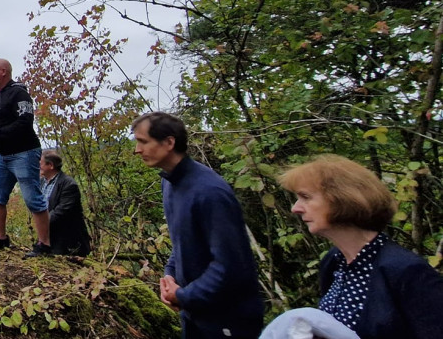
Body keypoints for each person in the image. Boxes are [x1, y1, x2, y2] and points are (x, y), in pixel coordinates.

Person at [276, 154, 443, 339]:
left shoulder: (406, 270)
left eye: (305, 197)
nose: (295, 208)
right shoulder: (333, 262)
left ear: (342, 199)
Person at [132, 112, 262, 339]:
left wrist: (184, 296)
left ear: (169, 142)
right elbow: (183, 242)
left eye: (143, 141)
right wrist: (170, 277)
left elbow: (230, 267)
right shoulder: (169, 182)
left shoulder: (209, 192)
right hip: (194, 315)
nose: (137, 150)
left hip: (228, 320)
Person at [0, 58, 49, 253]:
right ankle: (0, 238)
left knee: (32, 198)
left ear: (3, 71)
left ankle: (45, 244)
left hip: (24, 153)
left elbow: (24, 122)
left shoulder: (19, 93)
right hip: (3, 155)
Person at [40, 151, 90, 256]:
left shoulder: (69, 184)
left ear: (50, 165)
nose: (38, 166)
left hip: (67, 240)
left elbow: (62, 211)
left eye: (41, 163)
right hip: (49, 236)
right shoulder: (42, 182)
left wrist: (41, 221)